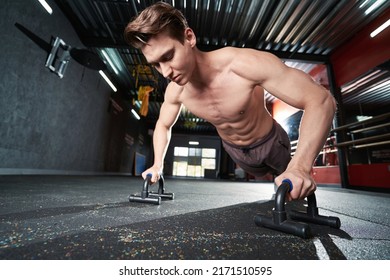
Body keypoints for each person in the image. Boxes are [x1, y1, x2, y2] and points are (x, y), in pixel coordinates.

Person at [124, 2, 336, 201]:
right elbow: (163, 124)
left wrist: (300, 167)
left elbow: (321, 99)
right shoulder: (176, 91)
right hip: (235, 151)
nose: (165, 72)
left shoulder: (244, 65)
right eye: (156, 65)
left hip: (270, 143)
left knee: (295, 193)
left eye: (168, 56)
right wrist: (157, 164)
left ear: (189, 38)